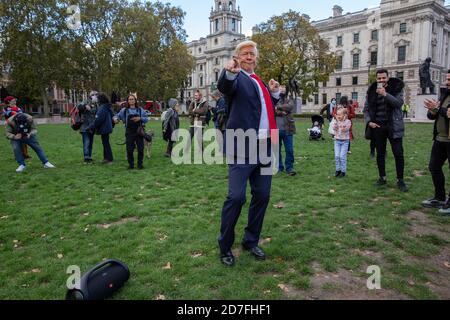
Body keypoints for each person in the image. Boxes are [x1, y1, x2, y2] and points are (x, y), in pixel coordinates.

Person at [217, 40, 280, 267]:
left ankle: (250, 241)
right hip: (242, 146)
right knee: (236, 197)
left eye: (252, 53)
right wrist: (229, 74)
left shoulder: (258, 80)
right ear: (237, 58)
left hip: (265, 146)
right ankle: (225, 246)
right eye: (244, 54)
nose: (249, 57)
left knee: (262, 196)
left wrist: (273, 94)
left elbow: (261, 109)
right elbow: (225, 88)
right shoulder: (236, 78)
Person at [364, 69, 408, 192]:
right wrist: (369, 122)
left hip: (393, 126)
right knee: (380, 154)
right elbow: (366, 109)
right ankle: (382, 178)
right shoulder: (372, 90)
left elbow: (398, 103)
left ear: (388, 78)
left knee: (398, 153)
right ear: (376, 79)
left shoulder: (397, 88)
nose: (381, 80)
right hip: (378, 126)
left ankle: (400, 180)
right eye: (379, 78)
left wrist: (385, 94)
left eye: (384, 78)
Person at [422, 70, 450, 213]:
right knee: (434, 167)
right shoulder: (445, 94)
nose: (447, 82)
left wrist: (439, 109)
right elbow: (432, 115)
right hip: (440, 139)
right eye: (447, 79)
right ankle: (439, 197)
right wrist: (433, 110)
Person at [114, 94, 148, 169]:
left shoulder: (140, 110)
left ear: (135, 100)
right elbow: (117, 116)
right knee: (129, 150)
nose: (131, 100)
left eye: (132, 99)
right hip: (129, 132)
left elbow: (146, 119)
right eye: (130, 99)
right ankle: (131, 165)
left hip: (139, 132)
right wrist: (115, 119)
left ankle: (140, 164)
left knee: (140, 149)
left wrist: (140, 118)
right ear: (127, 101)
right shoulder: (124, 110)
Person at [275, 85, 296, 176]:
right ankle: (279, 167)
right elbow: (272, 109)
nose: (282, 91)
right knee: (276, 150)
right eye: (280, 89)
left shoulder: (289, 99)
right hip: (275, 129)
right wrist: (282, 111)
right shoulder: (273, 99)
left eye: (284, 89)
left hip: (288, 129)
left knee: (289, 150)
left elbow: (290, 107)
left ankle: (289, 167)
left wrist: (278, 108)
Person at [89, 92, 114, 165]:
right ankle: (106, 158)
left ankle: (109, 159)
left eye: (97, 97)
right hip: (107, 127)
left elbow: (98, 119)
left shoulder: (102, 107)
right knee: (105, 143)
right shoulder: (106, 106)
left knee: (106, 143)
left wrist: (91, 127)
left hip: (104, 128)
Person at [77, 91, 98, 164]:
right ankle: (86, 157)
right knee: (86, 142)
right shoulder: (85, 101)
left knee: (91, 143)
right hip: (85, 127)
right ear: (90, 95)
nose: (95, 96)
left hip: (91, 127)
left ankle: (89, 156)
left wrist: (91, 109)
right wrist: (84, 106)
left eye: (96, 95)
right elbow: (79, 107)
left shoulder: (96, 104)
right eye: (93, 95)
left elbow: (96, 112)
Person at [333, 107, 351, 178]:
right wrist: (336, 124)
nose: (338, 116)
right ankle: (338, 170)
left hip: (344, 142)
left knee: (342, 157)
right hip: (337, 141)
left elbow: (345, 129)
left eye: (340, 115)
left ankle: (343, 172)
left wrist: (340, 123)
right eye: (337, 115)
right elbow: (334, 128)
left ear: (344, 115)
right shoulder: (336, 121)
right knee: (337, 156)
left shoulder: (348, 122)